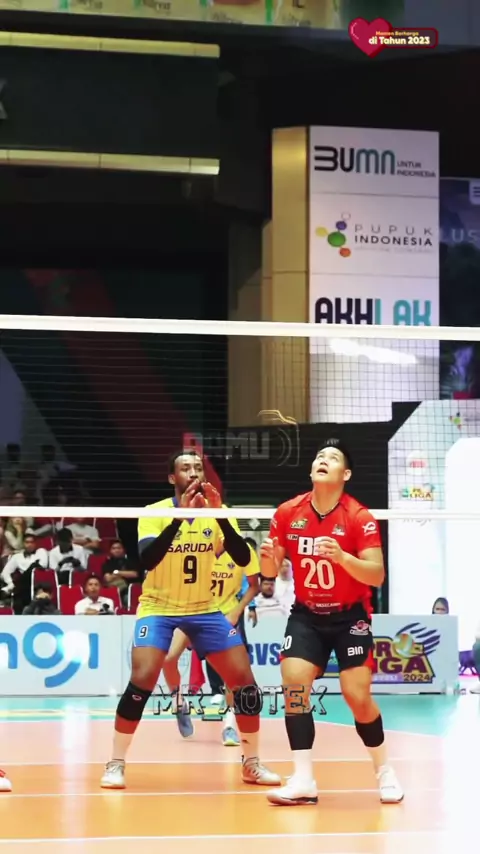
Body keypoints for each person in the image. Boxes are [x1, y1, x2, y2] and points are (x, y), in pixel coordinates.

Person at [101, 450, 280, 790]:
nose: (194, 472)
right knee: (142, 678)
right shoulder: (154, 512)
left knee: (246, 684)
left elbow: (242, 556)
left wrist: (220, 516)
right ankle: (116, 762)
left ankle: (251, 763)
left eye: (198, 467)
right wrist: (179, 518)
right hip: (158, 607)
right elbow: (148, 559)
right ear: (173, 478)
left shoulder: (219, 512)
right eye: (185, 468)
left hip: (204, 607)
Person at [260, 438, 403, 806]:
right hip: (306, 616)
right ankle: (303, 779)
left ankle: (384, 770)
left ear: (346, 474)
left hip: (350, 617)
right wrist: (268, 560)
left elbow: (376, 575)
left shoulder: (358, 517)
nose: (323, 460)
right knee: (294, 685)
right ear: (312, 469)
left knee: (357, 696)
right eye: (319, 456)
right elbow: (269, 574)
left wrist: (342, 558)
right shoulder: (288, 512)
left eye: (333, 457)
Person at [163, 539, 259, 746]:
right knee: (168, 658)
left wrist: (237, 612)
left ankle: (230, 725)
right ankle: (179, 701)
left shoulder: (242, 551)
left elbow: (254, 586)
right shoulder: (197, 544)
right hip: (193, 612)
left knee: (232, 675)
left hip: (224, 616)